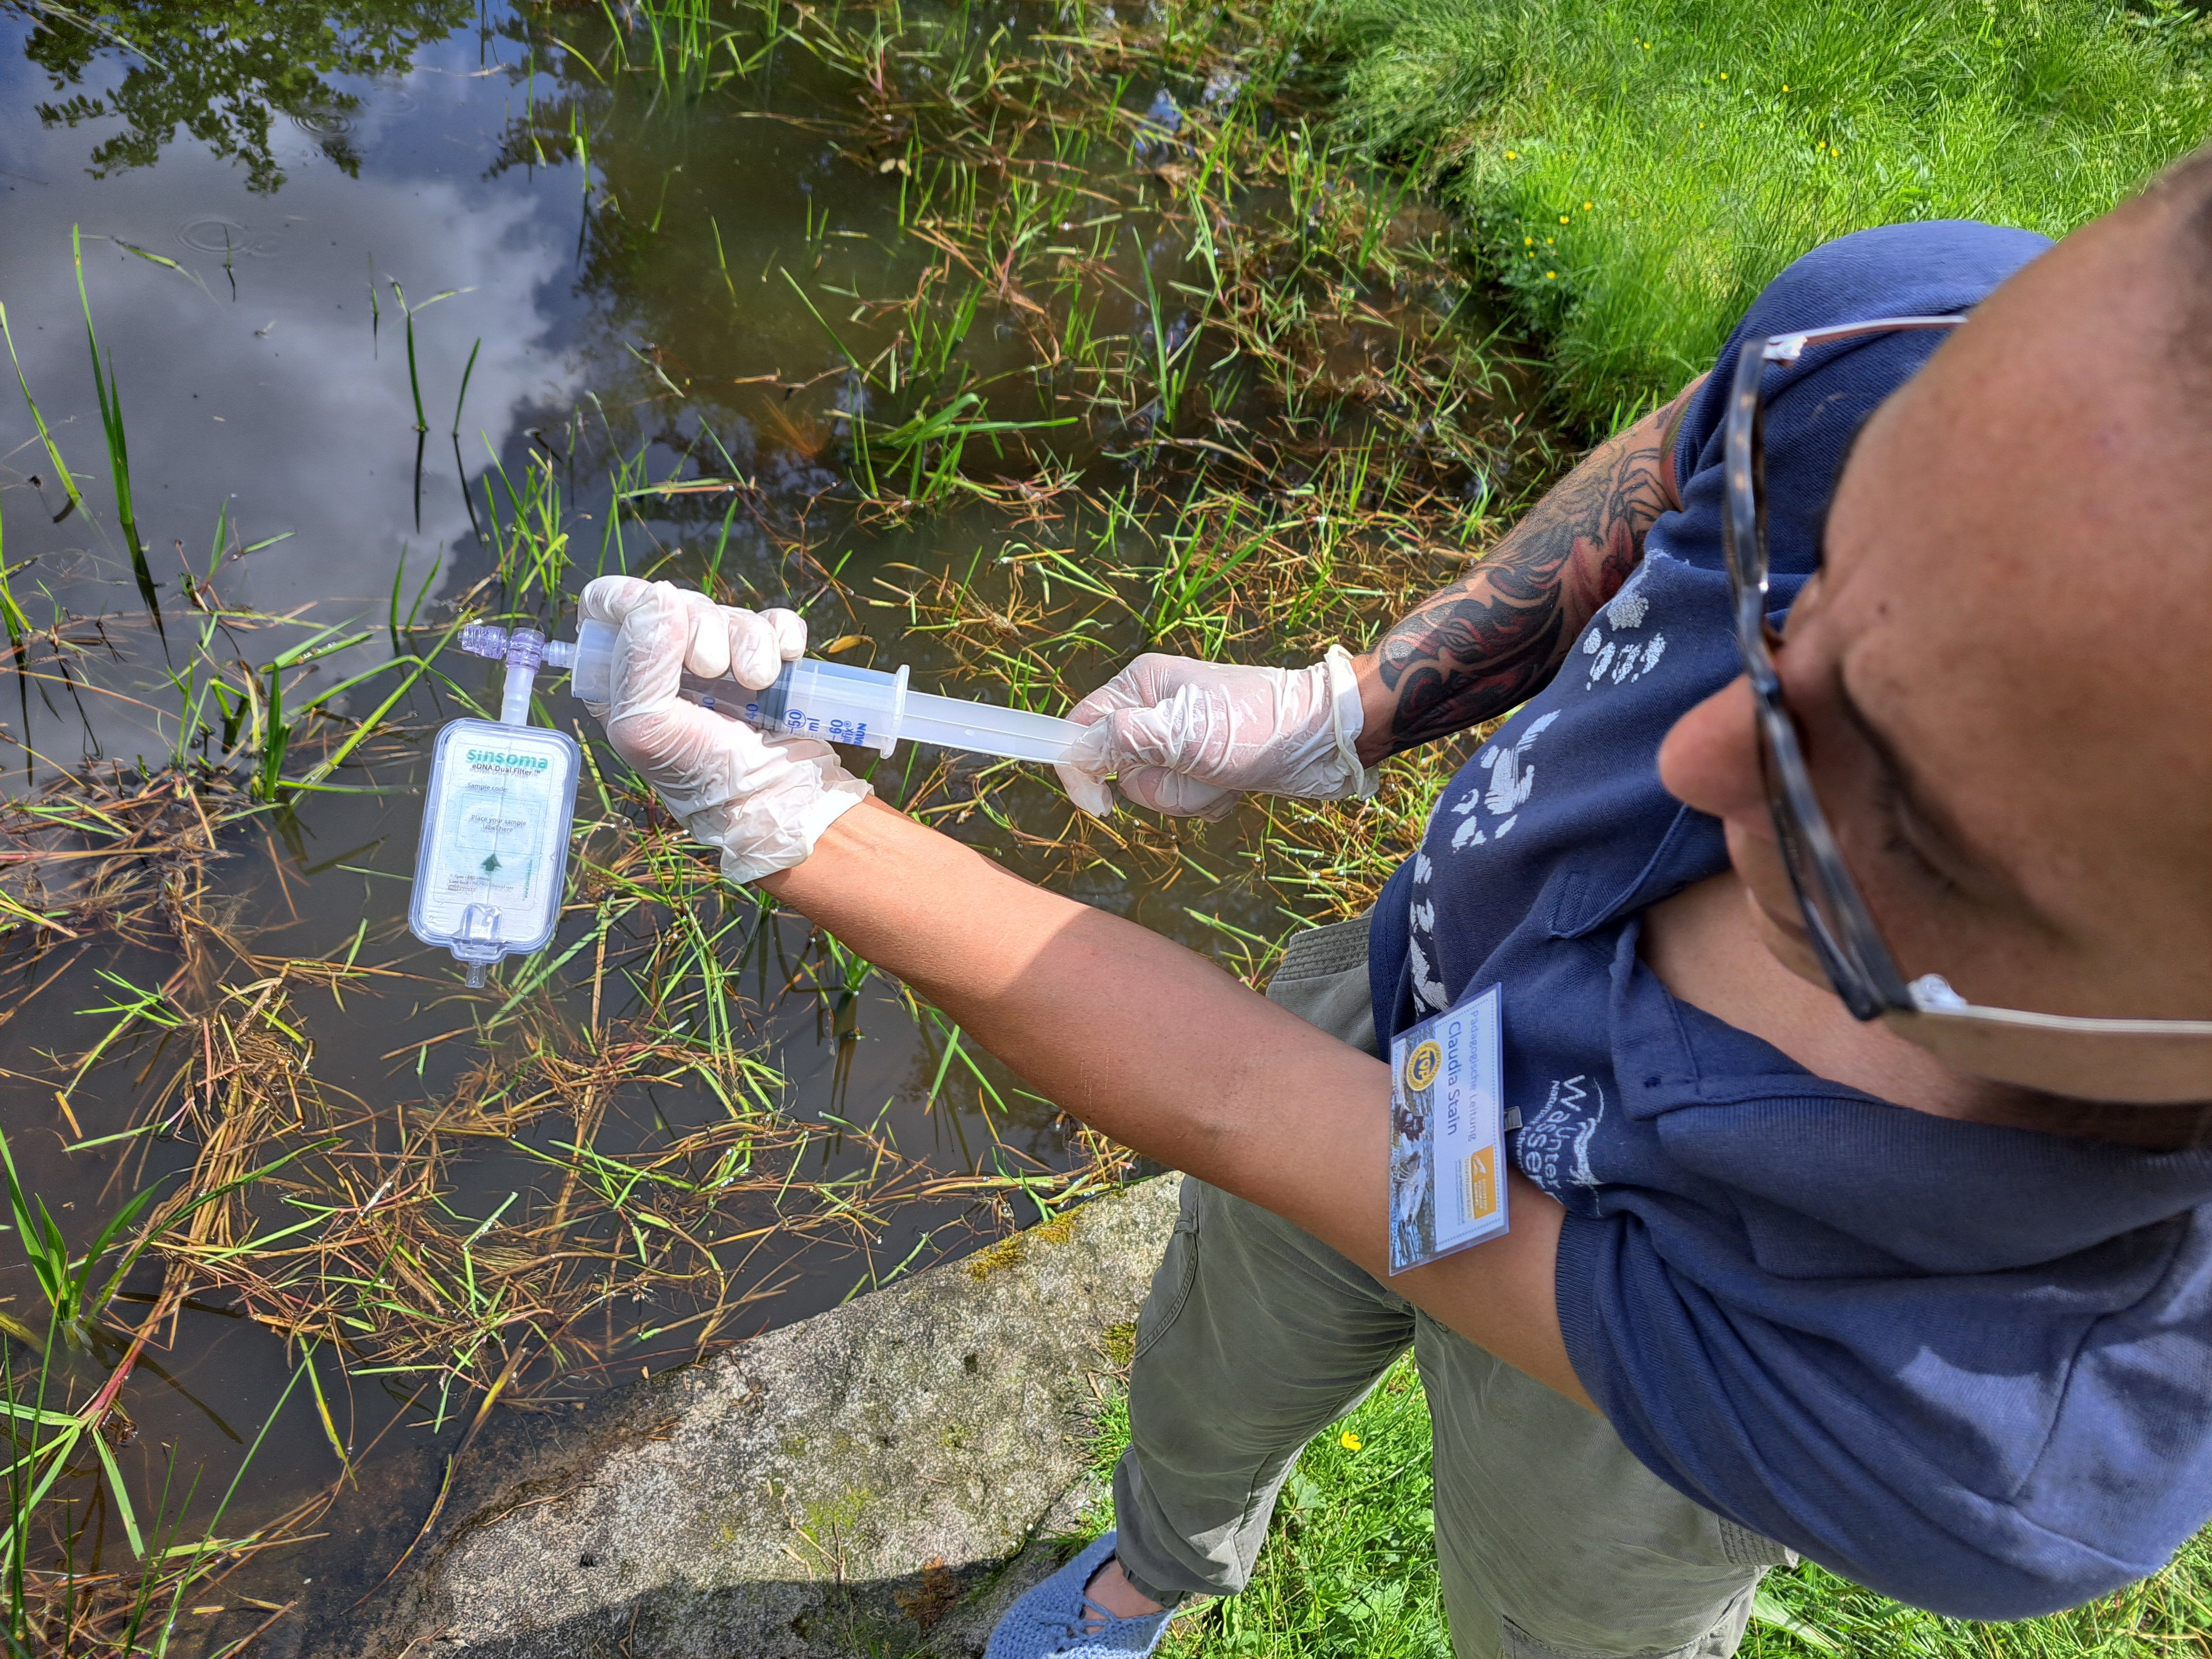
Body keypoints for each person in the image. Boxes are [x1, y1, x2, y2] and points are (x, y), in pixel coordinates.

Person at [574, 144, 2212, 1659]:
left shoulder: (2002, 1420)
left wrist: (792, 822)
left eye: (1902, 816)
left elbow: (1241, 1095)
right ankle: (1154, 1572)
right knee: (1215, 1370)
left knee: (1563, 1616)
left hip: (1638, 1374)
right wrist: (1353, 703)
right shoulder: (1946, 349)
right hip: (1412, 1004)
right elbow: (1693, 453)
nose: (1699, 750)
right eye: (1809, 585)